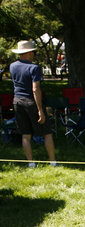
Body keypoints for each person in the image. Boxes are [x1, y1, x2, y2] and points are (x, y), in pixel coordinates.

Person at [9, 40, 56, 168]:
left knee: (25, 134)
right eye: (33, 52)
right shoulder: (33, 68)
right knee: (47, 132)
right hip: (31, 101)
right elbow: (35, 89)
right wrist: (40, 110)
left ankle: (31, 163)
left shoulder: (12, 66)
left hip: (17, 101)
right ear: (28, 53)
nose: (34, 54)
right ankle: (53, 162)